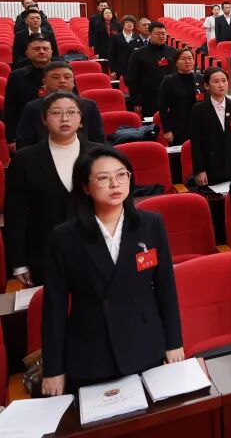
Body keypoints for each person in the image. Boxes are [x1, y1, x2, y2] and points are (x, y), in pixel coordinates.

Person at [41, 146, 184, 396]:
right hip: (91, 352)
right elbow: (54, 307)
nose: (115, 184)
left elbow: (166, 289)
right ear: (85, 187)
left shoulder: (150, 225)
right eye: (103, 178)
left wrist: (174, 342)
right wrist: (53, 369)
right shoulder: (65, 237)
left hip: (145, 344)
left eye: (121, 175)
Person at [5, 91, 104, 287]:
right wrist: (19, 262)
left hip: (98, 247)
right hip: (45, 251)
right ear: (44, 119)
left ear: (81, 119)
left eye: (72, 112)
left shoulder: (101, 154)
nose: (64, 119)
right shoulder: (24, 160)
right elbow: (15, 214)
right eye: (56, 113)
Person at [17, 62, 105, 149]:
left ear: (73, 81)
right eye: (56, 77)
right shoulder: (32, 107)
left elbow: (98, 140)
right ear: (44, 82)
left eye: (67, 77)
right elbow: (24, 143)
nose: (62, 81)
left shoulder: (89, 106)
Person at [189, 67, 231, 186]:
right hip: (211, 166)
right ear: (206, 86)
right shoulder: (198, 109)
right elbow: (196, 142)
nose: (221, 85)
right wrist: (199, 170)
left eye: (224, 81)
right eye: (216, 82)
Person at [5, 35, 53, 149]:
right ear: (27, 53)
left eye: (45, 48)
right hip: (27, 131)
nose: (42, 51)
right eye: (36, 49)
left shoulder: (63, 73)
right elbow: (11, 109)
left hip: (59, 130)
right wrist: (12, 139)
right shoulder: (17, 76)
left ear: (51, 52)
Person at [127, 21, 177, 117]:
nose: (161, 36)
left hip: (171, 97)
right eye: (158, 34)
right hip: (148, 98)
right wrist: (136, 101)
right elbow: (132, 78)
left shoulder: (173, 52)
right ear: (150, 34)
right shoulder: (138, 53)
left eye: (163, 34)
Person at [154, 48, 202, 145]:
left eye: (190, 58)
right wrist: (167, 130)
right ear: (176, 62)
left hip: (199, 125)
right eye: (183, 59)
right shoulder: (168, 80)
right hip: (179, 126)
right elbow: (163, 108)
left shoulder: (201, 78)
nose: (187, 61)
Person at [108, 15, 141, 79]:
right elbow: (111, 55)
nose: (129, 24)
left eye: (132, 23)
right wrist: (113, 70)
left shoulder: (138, 37)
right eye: (127, 22)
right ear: (123, 24)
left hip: (134, 68)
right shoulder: (115, 37)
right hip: (119, 68)